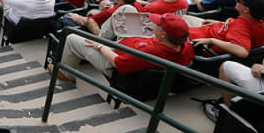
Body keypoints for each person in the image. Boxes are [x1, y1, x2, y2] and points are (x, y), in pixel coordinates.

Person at [54, 14, 195, 81]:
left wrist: (101, 46)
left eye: (157, 26)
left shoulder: (149, 53)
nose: (154, 26)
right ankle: (101, 35)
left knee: (71, 38)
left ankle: (65, 75)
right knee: (127, 11)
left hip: (114, 63)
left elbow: (118, 63)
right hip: (128, 45)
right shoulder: (187, 45)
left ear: (163, 35)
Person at [189, 0, 264, 59]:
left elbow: (242, 52)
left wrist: (212, 41)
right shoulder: (262, 22)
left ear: (246, 10)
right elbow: (247, 31)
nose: (236, 1)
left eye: (238, 0)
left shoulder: (240, 27)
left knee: (181, 19)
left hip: (199, 38)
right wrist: (221, 23)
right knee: (185, 18)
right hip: (215, 29)